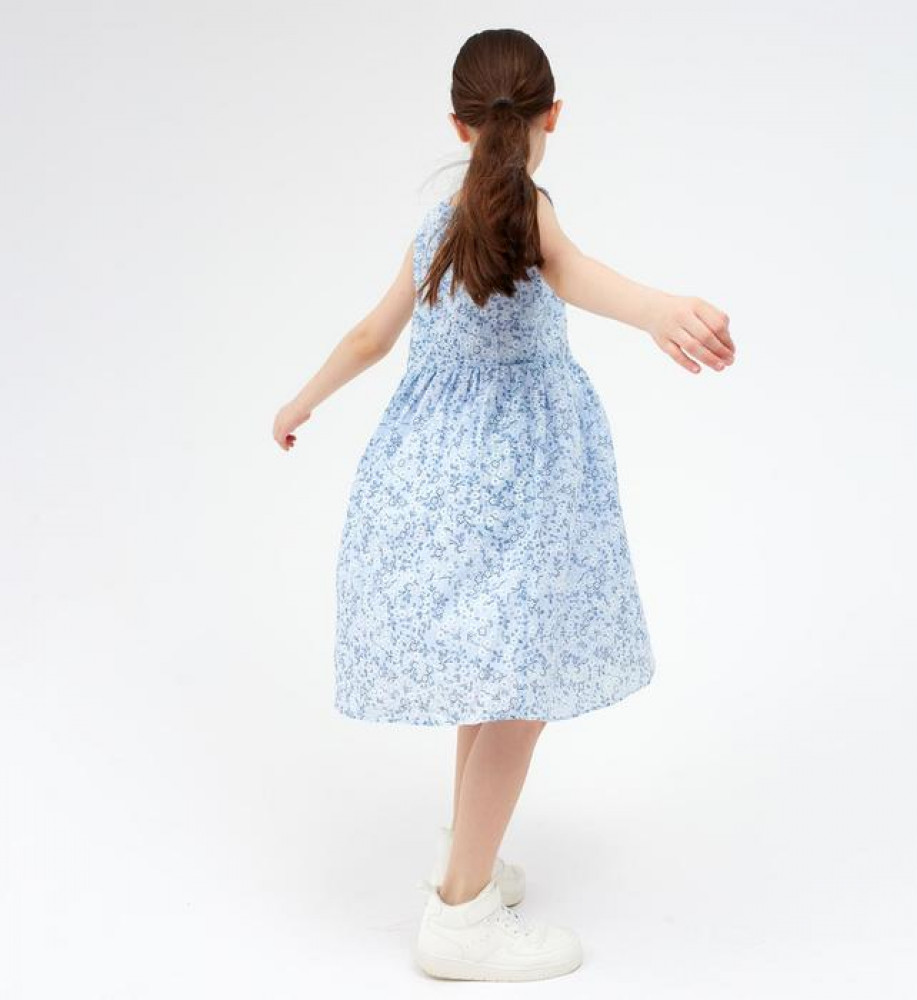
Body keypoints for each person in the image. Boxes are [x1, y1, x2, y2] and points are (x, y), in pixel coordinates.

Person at [272, 27, 735, 983]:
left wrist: (303, 400)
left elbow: (370, 336)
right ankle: (459, 922)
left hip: (436, 479)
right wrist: (658, 310)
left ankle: (467, 862)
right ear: (552, 116)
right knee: (519, 692)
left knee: (490, 680)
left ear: (459, 122)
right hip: (518, 482)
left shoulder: (439, 221)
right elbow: (575, 274)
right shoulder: (526, 206)